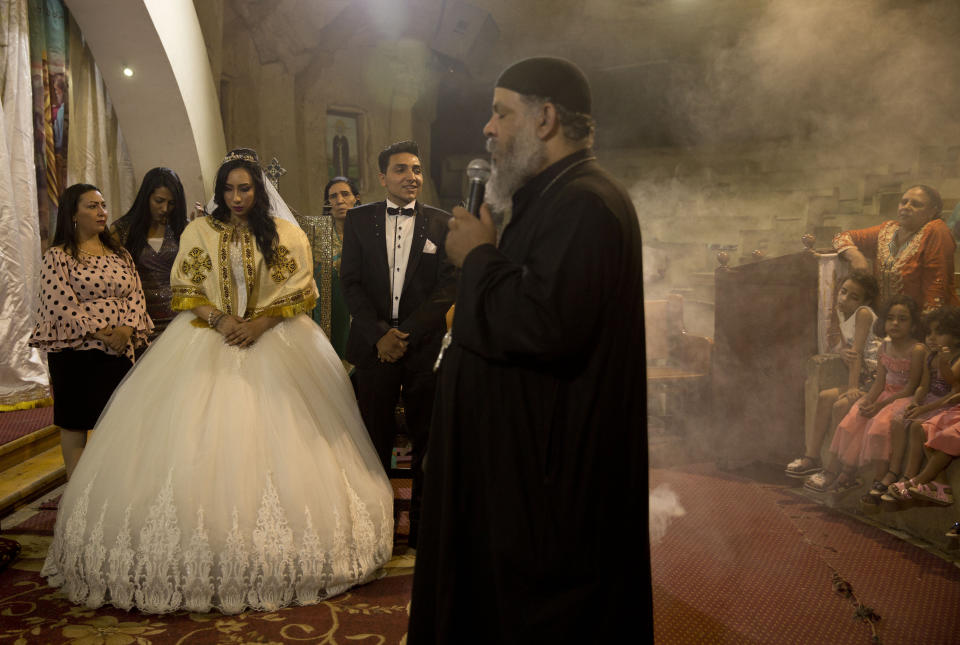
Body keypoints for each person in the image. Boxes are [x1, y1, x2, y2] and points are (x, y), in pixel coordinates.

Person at [41, 149, 394, 615]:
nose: (237, 197)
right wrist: (221, 319)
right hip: (208, 339)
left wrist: (259, 325)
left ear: (259, 190)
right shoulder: (200, 231)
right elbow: (186, 286)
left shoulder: (286, 233)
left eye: (245, 188)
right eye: (229, 189)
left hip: (278, 340)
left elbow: (300, 291)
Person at [408, 57, 649, 643]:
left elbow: (546, 325)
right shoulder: (550, 197)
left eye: (500, 112)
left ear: (545, 119)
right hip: (518, 469)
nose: (487, 128)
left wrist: (479, 257)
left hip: (551, 484)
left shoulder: (586, 204)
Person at [340, 140, 457, 548]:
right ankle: (376, 528)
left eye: (417, 169)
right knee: (375, 437)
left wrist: (404, 333)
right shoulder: (357, 220)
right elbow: (350, 283)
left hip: (422, 348)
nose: (413, 177)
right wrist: (380, 335)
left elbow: (448, 287)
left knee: (427, 439)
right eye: (402, 169)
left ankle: (423, 529)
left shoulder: (442, 223)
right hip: (374, 347)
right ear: (382, 177)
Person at [28, 184, 153, 479]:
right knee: (75, 423)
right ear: (73, 214)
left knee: (120, 424)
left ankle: (114, 488)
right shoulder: (58, 256)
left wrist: (126, 328)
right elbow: (60, 303)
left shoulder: (119, 253)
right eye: (92, 206)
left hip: (123, 348)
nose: (102, 212)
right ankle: (77, 494)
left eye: (103, 205)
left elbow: (136, 293)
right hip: (77, 352)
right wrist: (103, 331)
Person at [805, 295, 926, 493]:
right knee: (852, 419)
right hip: (883, 394)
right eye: (890, 318)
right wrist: (868, 400)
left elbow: (911, 388)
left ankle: (877, 479)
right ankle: (842, 472)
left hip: (903, 398)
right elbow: (879, 383)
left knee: (877, 427)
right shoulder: (885, 346)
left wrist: (878, 406)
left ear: (913, 325)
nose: (895, 323)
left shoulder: (918, 349)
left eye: (903, 319)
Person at [786, 271, 880, 478]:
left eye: (853, 297)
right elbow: (847, 348)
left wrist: (853, 387)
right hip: (865, 377)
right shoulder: (842, 312)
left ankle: (833, 469)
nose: (844, 299)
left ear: (866, 301)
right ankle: (811, 458)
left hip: (877, 379)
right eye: (843, 292)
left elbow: (856, 354)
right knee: (824, 396)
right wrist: (842, 352)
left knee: (840, 404)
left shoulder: (864, 313)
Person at [833, 185, 959, 312]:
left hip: (924, 323)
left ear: (932, 211)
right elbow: (841, 237)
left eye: (916, 204)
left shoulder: (936, 231)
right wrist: (856, 257)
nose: (906, 207)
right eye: (904, 202)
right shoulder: (888, 229)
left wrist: (928, 329)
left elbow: (936, 291)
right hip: (888, 323)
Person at [885, 307, 960, 504]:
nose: (932, 337)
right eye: (929, 332)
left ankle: (913, 480)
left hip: (946, 405)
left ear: (956, 337)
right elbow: (924, 386)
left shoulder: (956, 359)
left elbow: (952, 388)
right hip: (932, 402)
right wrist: (917, 402)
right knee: (910, 423)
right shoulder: (931, 357)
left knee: (923, 426)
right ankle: (915, 479)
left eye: (940, 332)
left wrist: (923, 409)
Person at [110, 167, 187, 339]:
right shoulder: (122, 230)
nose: (165, 208)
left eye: (171, 203)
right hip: (138, 318)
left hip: (179, 317)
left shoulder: (183, 228)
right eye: (159, 201)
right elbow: (113, 279)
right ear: (146, 198)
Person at [304, 176, 359, 364]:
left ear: (356, 198)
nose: (339, 200)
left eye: (345, 194)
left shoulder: (369, 234)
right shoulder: (316, 237)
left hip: (362, 312)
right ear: (328, 203)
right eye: (333, 196)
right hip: (329, 312)